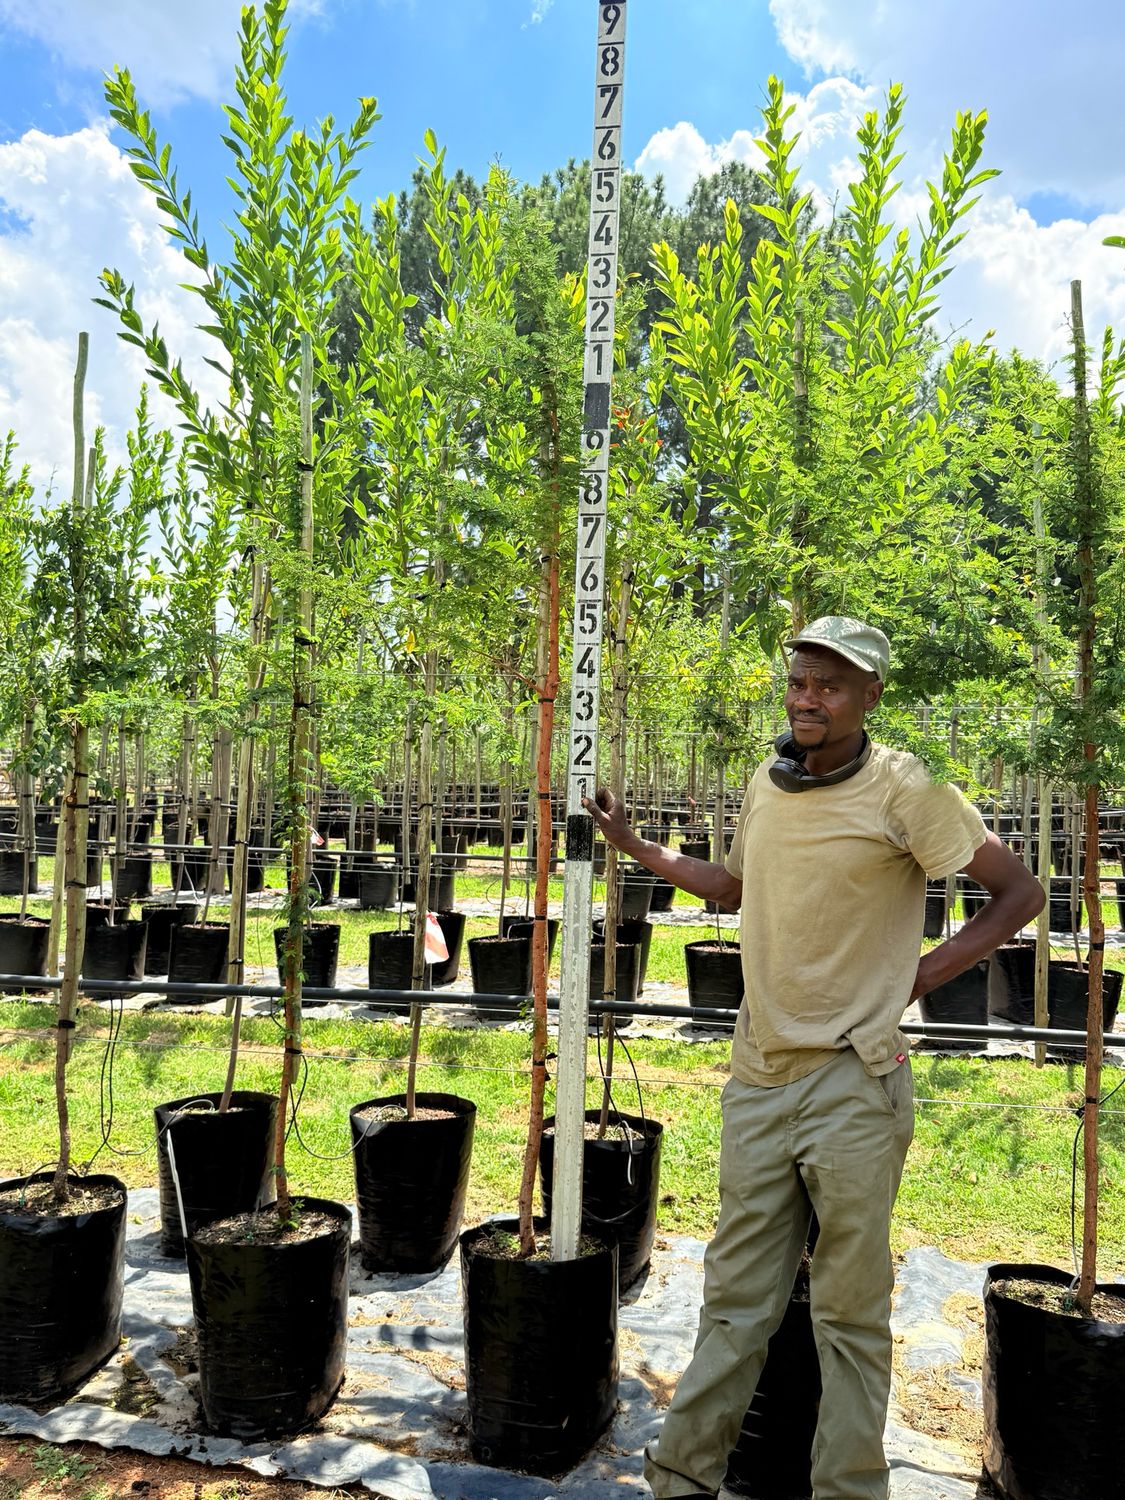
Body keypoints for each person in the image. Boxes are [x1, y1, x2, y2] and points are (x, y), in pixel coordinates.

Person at [584, 615, 1044, 1500]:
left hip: (852, 1083)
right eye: (799, 681)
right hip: (757, 1074)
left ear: (870, 697)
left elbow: (1017, 892)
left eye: (829, 685)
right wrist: (636, 848)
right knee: (733, 1304)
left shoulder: (908, 789)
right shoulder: (766, 782)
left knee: (848, 1315)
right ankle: (680, 1480)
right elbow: (734, 887)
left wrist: (914, 980)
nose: (807, 698)